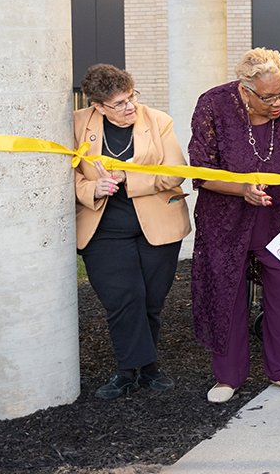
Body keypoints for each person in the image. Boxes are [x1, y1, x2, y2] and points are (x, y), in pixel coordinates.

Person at [189, 48, 280, 403]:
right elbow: (200, 170)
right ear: (245, 90)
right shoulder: (213, 104)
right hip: (224, 221)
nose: (278, 102)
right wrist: (240, 188)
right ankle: (227, 377)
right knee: (226, 294)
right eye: (268, 97)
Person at [74, 64, 191, 399]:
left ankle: (145, 369)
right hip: (104, 229)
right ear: (97, 106)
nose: (130, 107)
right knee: (124, 299)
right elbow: (62, 177)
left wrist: (129, 178)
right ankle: (131, 371)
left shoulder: (157, 121)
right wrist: (92, 189)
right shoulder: (78, 125)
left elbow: (175, 172)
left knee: (151, 300)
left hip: (158, 225)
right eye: (119, 103)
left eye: (131, 97)